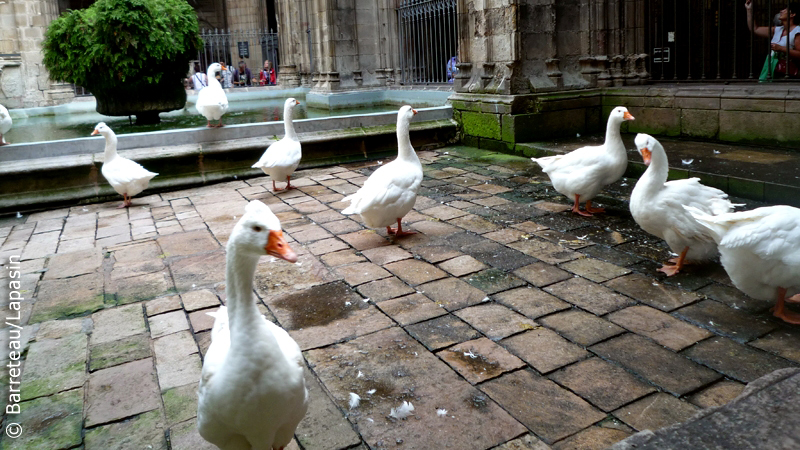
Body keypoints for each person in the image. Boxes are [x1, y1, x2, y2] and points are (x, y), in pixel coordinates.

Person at [745, 0, 800, 79]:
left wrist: (781, 48)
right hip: (773, 68)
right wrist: (749, 10)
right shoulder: (777, 30)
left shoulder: (797, 31)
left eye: (785, 10)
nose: (781, 11)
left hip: (785, 71)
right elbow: (755, 29)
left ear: (792, 14)